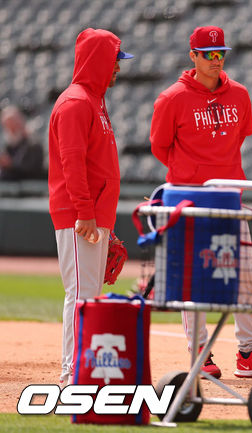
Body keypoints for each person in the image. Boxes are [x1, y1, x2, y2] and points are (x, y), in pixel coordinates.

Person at [150, 25, 252, 379]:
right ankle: (200, 353)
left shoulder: (239, 94)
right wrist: (192, 171)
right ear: (192, 56)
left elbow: (238, 138)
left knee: (240, 274)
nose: (216, 59)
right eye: (208, 54)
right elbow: (160, 147)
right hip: (188, 200)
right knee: (191, 280)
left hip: (229, 195)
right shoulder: (171, 98)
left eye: (220, 53)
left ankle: (248, 351)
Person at [48, 28, 133, 387]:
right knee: (80, 295)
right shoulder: (75, 102)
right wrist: (85, 212)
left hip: (95, 217)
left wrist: (105, 223)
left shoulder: (94, 101)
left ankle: (81, 369)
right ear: (99, 61)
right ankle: (72, 375)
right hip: (79, 216)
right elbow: (71, 162)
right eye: (115, 61)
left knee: (88, 295)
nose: (118, 69)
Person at [0, 105, 45, 180]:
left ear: (20, 122)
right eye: (8, 126)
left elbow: (32, 169)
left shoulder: (33, 143)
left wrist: (10, 164)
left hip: (31, 186)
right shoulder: (10, 145)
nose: (11, 129)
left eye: (13, 124)